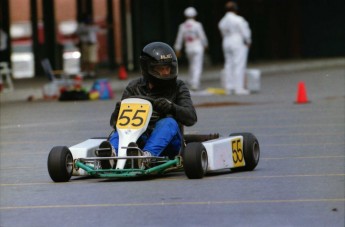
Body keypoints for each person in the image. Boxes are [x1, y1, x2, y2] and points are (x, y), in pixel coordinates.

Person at [98, 42, 197, 168]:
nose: (166, 72)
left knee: (168, 122)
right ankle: (111, 156)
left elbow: (191, 117)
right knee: (121, 131)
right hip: (137, 141)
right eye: (161, 69)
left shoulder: (178, 86)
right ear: (148, 68)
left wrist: (172, 107)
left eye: (168, 68)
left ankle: (146, 157)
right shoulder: (134, 87)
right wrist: (118, 113)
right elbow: (115, 124)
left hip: (169, 144)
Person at [218, 1, 251, 95]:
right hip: (237, 40)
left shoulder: (222, 21)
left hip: (226, 41)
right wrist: (248, 40)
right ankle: (239, 88)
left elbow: (222, 32)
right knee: (239, 64)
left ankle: (229, 87)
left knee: (228, 64)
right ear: (235, 9)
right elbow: (245, 30)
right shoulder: (238, 19)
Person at [174, 7, 208, 91]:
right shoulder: (197, 25)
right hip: (197, 46)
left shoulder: (182, 26)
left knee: (192, 64)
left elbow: (179, 38)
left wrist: (177, 49)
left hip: (188, 47)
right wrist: (205, 44)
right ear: (194, 15)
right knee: (197, 65)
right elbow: (202, 36)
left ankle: (191, 80)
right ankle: (195, 83)